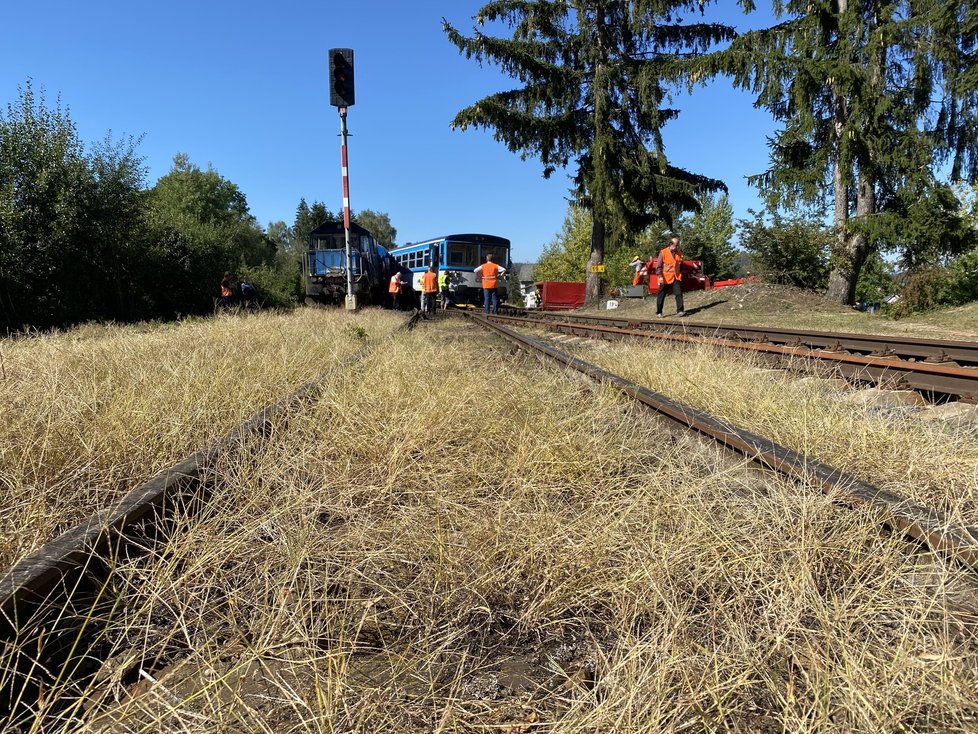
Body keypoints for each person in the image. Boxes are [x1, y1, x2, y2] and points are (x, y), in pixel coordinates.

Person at [655, 236, 685, 317]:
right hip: (665, 278)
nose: (676, 247)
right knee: (661, 295)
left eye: (677, 245)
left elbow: (681, 265)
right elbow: (658, 266)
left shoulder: (679, 253)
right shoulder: (663, 252)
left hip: (676, 277)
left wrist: (681, 273)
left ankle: (680, 311)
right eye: (675, 245)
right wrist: (660, 276)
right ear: (670, 244)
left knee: (679, 293)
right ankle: (659, 312)